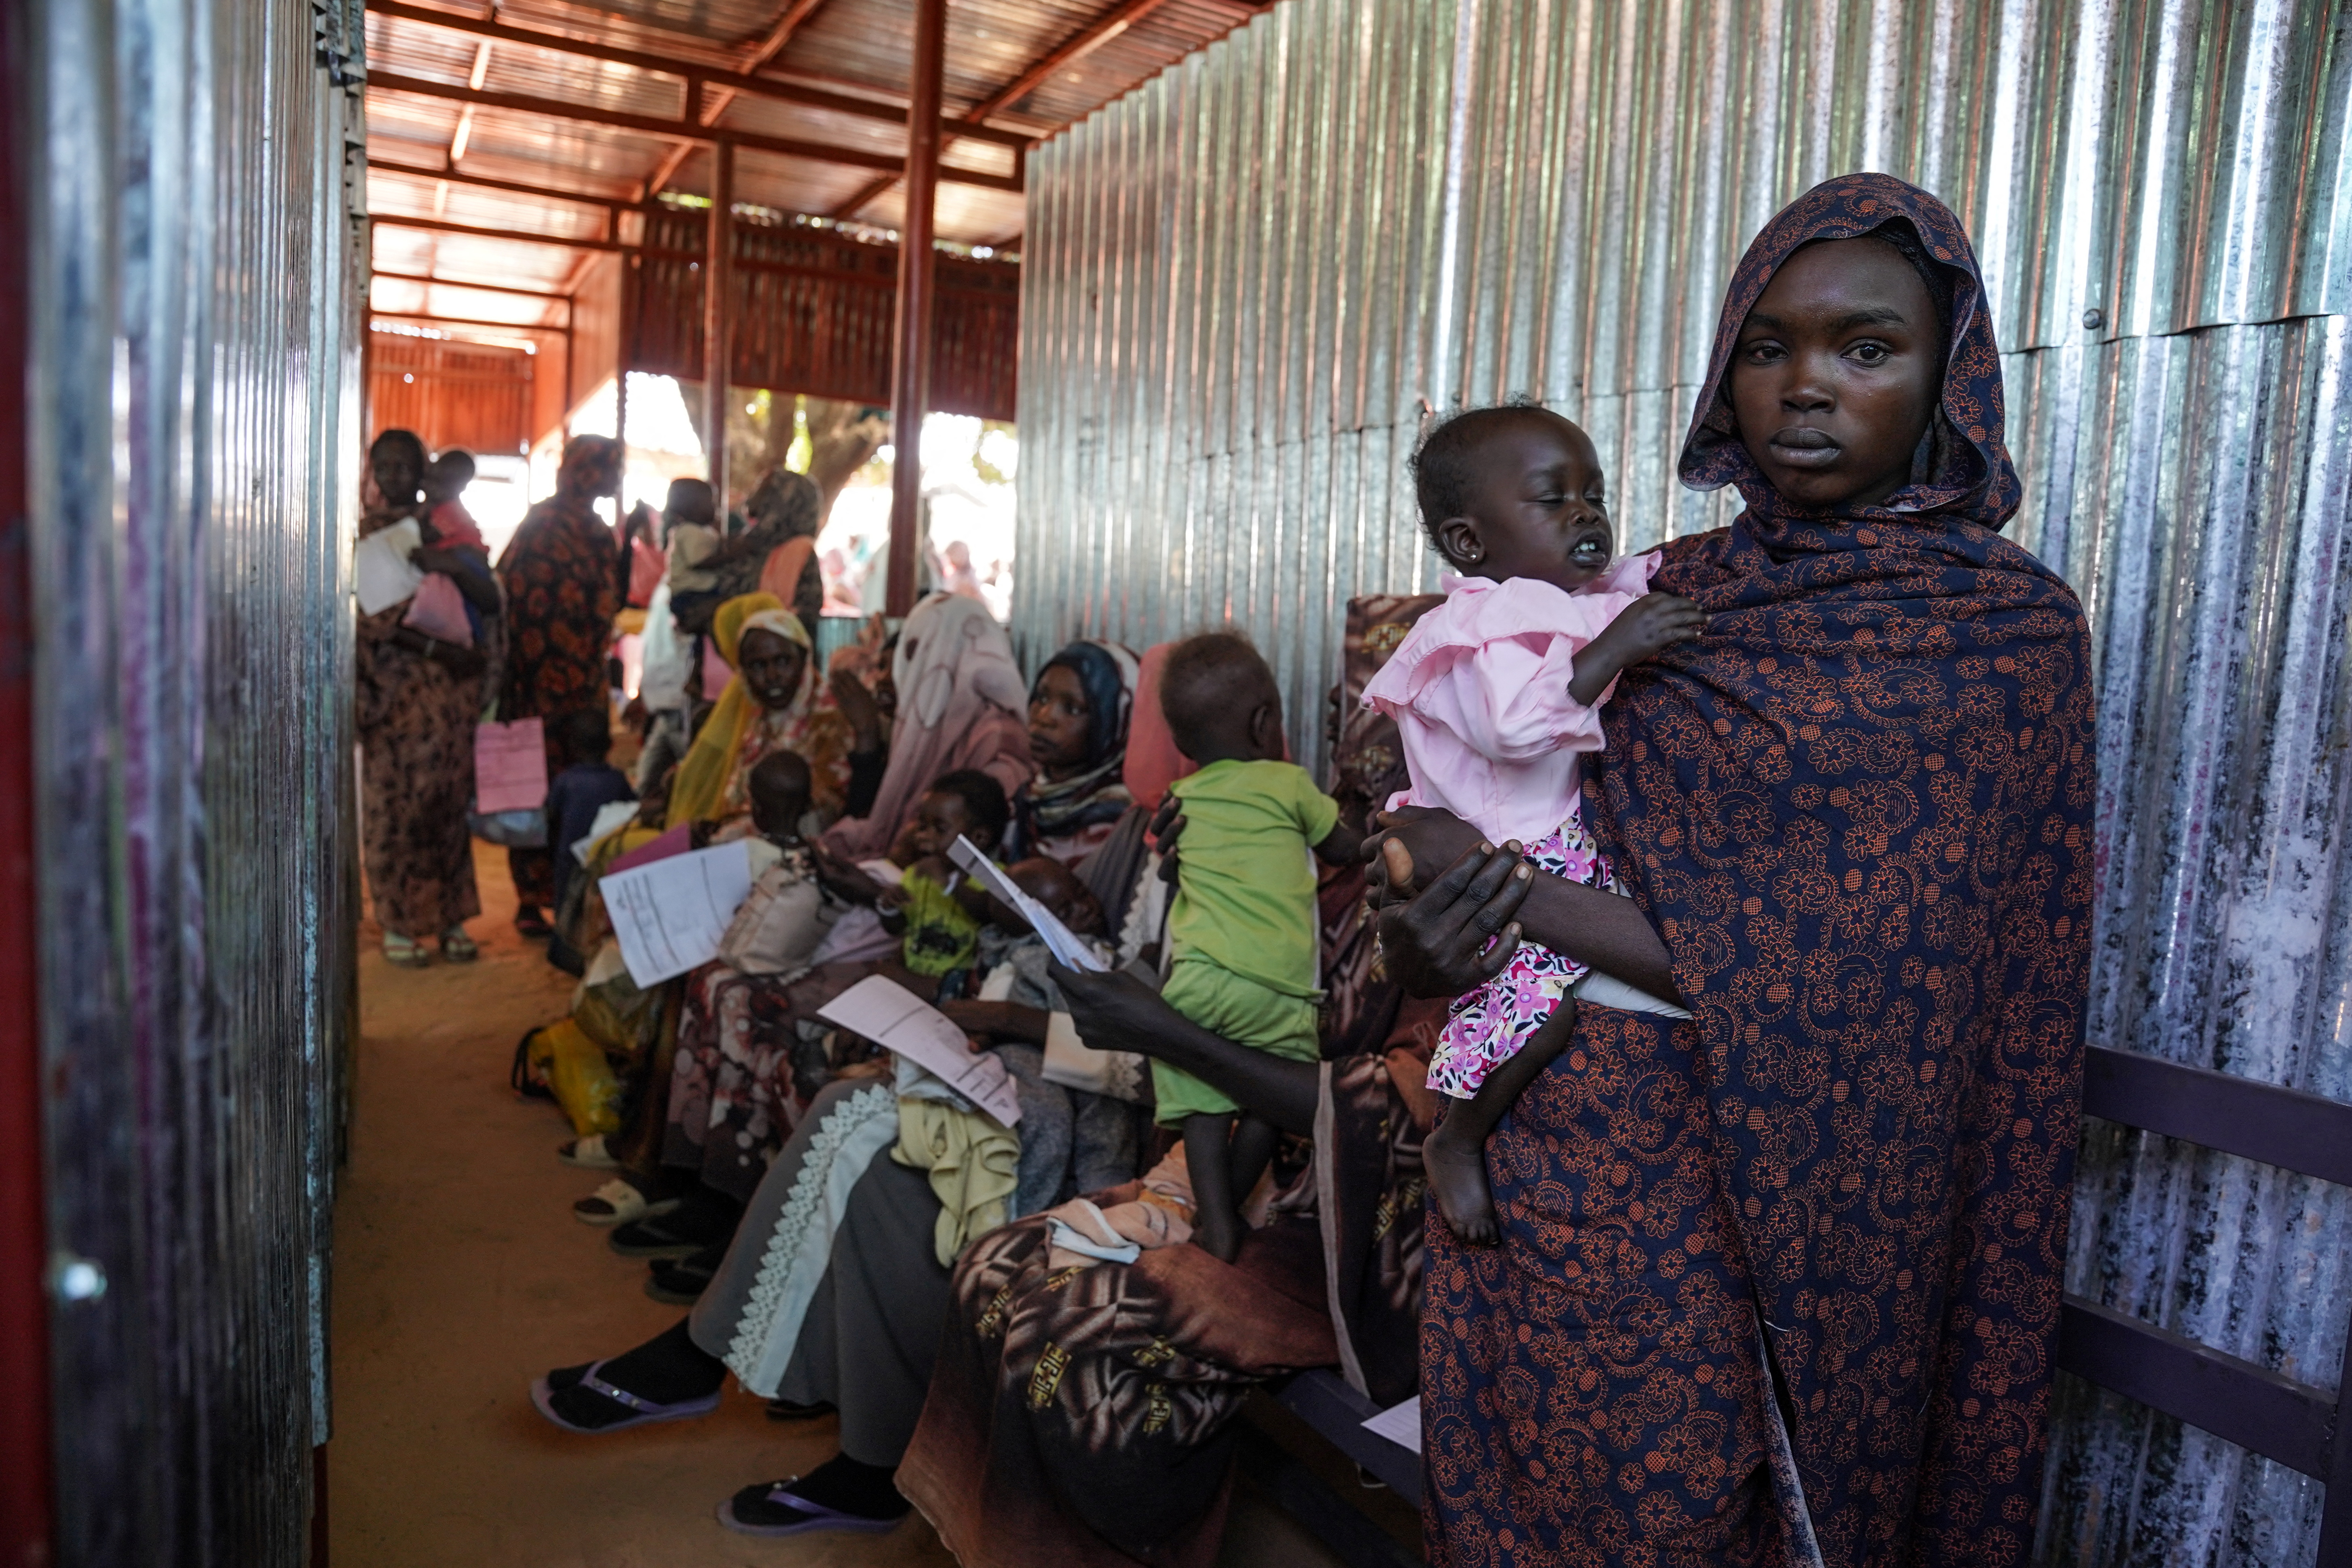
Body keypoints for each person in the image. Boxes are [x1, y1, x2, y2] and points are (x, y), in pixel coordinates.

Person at [1370, 174, 2094, 1565]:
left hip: (1805, 1212)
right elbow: (1455, 812)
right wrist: (1420, 934)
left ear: (1948, 377)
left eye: (1863, 349)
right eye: (1765, 347)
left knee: (1691, 1517)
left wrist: (1512, 894)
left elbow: (1890, 972)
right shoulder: (1654, 596)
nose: (1804, 387)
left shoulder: (1999, 638)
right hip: (1554, 1180)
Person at [1360, 405, 1706, 1243]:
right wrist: (1616, 649)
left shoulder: (1563, 602)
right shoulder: (1485, 624)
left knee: (1547, 999)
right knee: (1537, 1009)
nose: (1585, 513)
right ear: (1470, 543)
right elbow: (1512, 727)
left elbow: (1635, 582)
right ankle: (1457, 1137)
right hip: (1493, 851)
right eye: (1553, 499)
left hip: (1539, 841)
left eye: (1594, 493)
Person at [1149, 632, 1359, 1262]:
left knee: (1202, 1100)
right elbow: (1346, 850)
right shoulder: (1289, 784)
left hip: (1198, 979)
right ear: (1266, 721)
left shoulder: (1178, 801)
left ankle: (1214, 1216)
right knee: (1266, 1098)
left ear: (1183, 745)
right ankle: (1234, 1209)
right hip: (1278, 986)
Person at [355, 428, 500, 967]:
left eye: (405, 466)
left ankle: (451, 917)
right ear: (372, 472)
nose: (394, 477)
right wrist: (441, 652)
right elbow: (372, 620)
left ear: (424, 471)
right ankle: (398, 921)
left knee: (445, 807)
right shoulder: (365, 533)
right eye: (383, 466)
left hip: (449, 701)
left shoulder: (446, 530)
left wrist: (456, 568)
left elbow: (489, 598)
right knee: (397, 810)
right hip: (394, 696)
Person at [499, 435, 625, 937]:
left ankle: (533, 899)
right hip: (568, 689)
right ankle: (561, 895)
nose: (615, 480)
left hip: (534, 685)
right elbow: (601, 609)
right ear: (590, 472)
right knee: (568, 789)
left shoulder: (544, 524)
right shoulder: (584, 531)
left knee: (533, 786)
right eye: (610, 470)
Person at [821, 591, 1034, 861]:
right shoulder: (928, 724)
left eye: (915, 656)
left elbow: (983, 850)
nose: (890, 677)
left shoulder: (999, 739)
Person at [663, 593, 853, 834]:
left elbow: (826, 811)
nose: (772, 676)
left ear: (805, 658)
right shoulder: (756, 720)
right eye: (758, 666)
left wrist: (734, 833)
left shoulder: (829, 720)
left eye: (783, 661)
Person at [1007, 640, 1140, 867]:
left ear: (1115, 722)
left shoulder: (1122, 824)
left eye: (1074, 709)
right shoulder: (1030, 800)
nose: (1045, 717)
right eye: (1042, 698)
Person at [542, 711, 636, 973]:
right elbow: (630, 810)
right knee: (598, 905)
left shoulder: (565, 781)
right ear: (611, 745)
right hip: (603, 856)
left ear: (572, 746)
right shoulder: (616, 780)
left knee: (566, 904)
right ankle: (596, 953)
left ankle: (564, 951)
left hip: (569, 855)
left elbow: (551, 817)